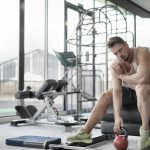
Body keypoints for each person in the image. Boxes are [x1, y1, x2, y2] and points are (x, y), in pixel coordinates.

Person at [67, 36, 150, 150]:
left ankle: (145, 132)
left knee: (141, 88)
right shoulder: (116, 65)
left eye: (120, 50)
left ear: (126, 44)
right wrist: (117, 116)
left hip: (147, 90)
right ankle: (85, 133)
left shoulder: (142, 52)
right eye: (115, 53)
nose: (119, 55)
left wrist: (121, 76)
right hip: (132, 93)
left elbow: (143, 78)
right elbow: (117, 91)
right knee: (106, 95)